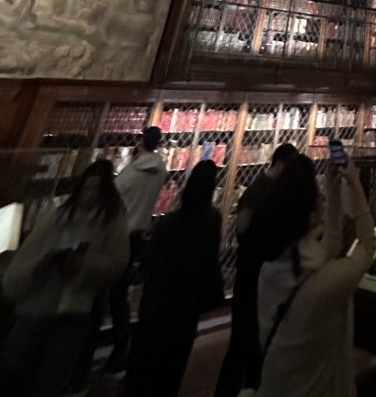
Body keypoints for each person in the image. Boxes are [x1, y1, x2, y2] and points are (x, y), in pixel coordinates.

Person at [0, 159, 129, 397]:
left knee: (49, 372)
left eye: (95, 190)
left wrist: (83, 266)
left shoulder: (109, 224)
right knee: (18, 366)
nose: (89, 195)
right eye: (87, 188)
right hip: (41, 303)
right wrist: (42, 265)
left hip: (72, 310)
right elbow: (32, 253)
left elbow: (114, 265)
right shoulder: (60, 217)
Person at [255, 153, 375, 397]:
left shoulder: (269, 272)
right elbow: (368, 245)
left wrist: (331, 188)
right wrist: (353, 182)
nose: (322, 200)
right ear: (311, 215)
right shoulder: (325, 284)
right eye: (318, 198)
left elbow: (328, 247)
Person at [125, 160, 224, 397]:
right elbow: (210, 257)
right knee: (174, 358)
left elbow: (151, 258)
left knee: (145, 352)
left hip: (157, 297)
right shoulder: (212, 220)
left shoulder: (167, 223)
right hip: (187, 300)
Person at [214, 143, 300, 397]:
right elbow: (243, 232)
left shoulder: (260, 192)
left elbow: (242, 231)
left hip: (254, 274)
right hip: (254, 276)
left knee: (247, 343)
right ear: (281, 164)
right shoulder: (259, 193)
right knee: (246, 342)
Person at [103, 126, 167, 374]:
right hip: (141, 231)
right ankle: (122, 345)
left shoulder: (134, 171)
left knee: (115, 293)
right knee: (120, 292)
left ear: (141, 142)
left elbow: (115, 192)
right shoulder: (160, 168)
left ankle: (119, 348)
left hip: (120, 232)